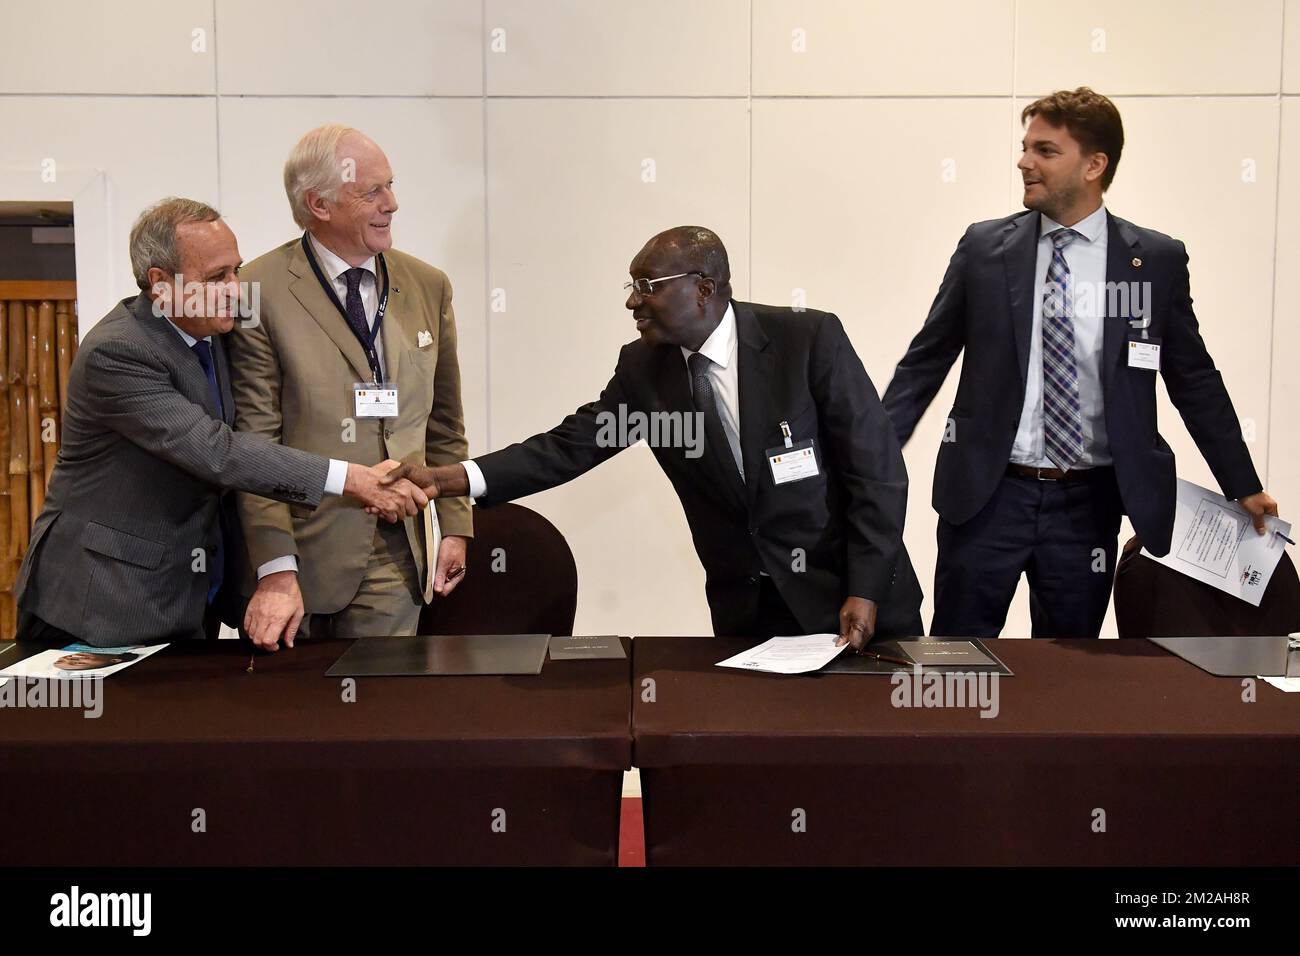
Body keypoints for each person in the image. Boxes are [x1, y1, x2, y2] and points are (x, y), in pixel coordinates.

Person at [384, 226, 923, 649]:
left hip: (854, 599)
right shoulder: (647, 372)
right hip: (752, 616)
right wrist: (449, 479)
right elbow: (569, 447)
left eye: (648, 287)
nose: (632, 303)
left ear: (703, 289)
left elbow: (876, 473)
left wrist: (866, 587)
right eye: (631, 287)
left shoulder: (807, 340)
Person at [881, 87, 1279, 638]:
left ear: (1095, 165)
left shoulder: (1153, 262)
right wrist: (870, 460)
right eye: (1026, 148)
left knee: (1069, 675)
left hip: (1088, 505)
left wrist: (1242, 482)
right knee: (955, 660)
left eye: (1045, 151)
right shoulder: (984, 249)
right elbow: (925, 363)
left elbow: (1193, 379)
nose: (1024, 162)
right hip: (986, 497)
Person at [15, 197, 427, 648]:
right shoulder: (118, 352)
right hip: (100, 603)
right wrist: (353, 479)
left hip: (187, 597)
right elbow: (217, 451)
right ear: (161, 284)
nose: (236, 287)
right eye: (216, 277)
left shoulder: (215, 332)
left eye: (236, 269)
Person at [227, 125, 474, 648]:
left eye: (391, 185)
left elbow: (445, 423)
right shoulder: (257, 291)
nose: (393, 204)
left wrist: (454, 524)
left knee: (383, 714)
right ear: (319, 204)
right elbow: (252, 447)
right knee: (297, 720)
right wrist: (275, 568)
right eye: (373, 192)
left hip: (398, 551)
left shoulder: (428, 286)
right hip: (301, 553)